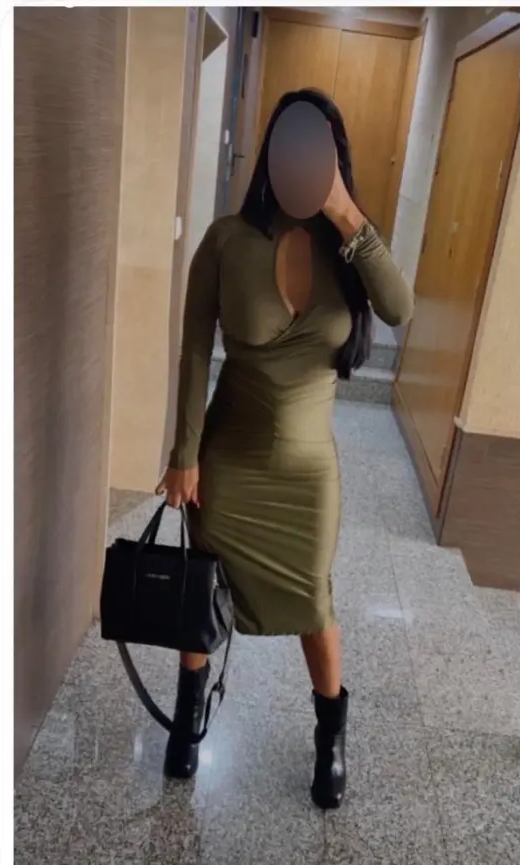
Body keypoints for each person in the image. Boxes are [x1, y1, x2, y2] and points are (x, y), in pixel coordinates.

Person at [156, 88, 414, 809]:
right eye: (291, 144)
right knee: (204, 590)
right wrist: (184, 453)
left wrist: (346, 212)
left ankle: (330, 737)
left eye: (318, 148)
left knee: (313, 603)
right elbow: (192, 353)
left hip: (307, 475)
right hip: (229, 460)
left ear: (334, 159)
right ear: (271, 151)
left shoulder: (350, 247)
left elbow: (400, 307)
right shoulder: (226, 241)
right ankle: (188, 715)